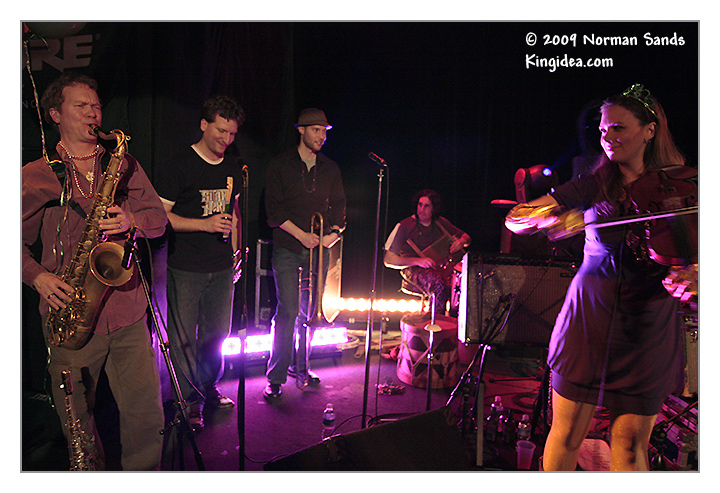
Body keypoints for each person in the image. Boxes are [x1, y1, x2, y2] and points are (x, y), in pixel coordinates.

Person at [505, 84, 696, 470]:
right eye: (604, 129)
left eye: (619, 128)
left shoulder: (683, 188)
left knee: (630, 447)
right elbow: (516, 217)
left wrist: (697, 272)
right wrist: (544, 217)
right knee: (566, 434)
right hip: (589, 318)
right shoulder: (593, 184)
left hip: (646, 327)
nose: (607, 137)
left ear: (650, 130)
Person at [22, 72, 167, 470]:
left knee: (146, 418)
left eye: (96, 106)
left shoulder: (123, 163)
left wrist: (132, 220)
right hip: (70, 313)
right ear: (55, 114)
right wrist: (37, 276)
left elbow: (157, 218)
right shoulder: (36, 174)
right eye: (81, 106)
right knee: (79, 425)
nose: (93, 113)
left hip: (127, 310)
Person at [154, 95, 245, 430]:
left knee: (216, 336)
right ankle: (187, 401)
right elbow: (161, 217)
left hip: (221, 268)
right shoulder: (179, 165)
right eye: (221, 131)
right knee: (183, 341)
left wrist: (235, 252)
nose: (226, 139)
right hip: (186, 268)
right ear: (204, 124)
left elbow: (234, 214)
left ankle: (208, 389)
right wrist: (205, 225)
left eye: (232, 134)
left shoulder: (233, 167)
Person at [263, 108, 346, 400]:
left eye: (324, 131)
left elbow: (340, 207)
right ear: (301, 130)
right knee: (288, 311)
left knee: (310, 313)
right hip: (288, 247)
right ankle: (275, 377)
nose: (322, 136)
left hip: (318, 251)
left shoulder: (330, 168)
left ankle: (302, 367)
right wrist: (302, 235)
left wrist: (331, 235)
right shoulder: (280, 164)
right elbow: (273, 212)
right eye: (316, 130)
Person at [384, 189, 471, 316]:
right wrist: (417, 261)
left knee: (463, 286)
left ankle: (453, 323)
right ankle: (434, 322)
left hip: (440, 267)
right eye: (420, 205)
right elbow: (388, 260)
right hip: (412, 268)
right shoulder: (404, 226)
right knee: (438, 285)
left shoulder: (440, 223)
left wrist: (461, 241)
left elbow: (467, 238)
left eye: (426, 206)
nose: (422, 209)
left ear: (434, 209)